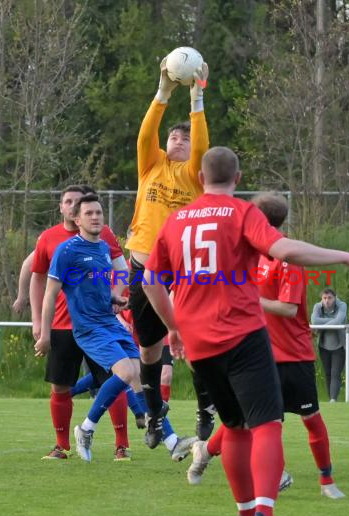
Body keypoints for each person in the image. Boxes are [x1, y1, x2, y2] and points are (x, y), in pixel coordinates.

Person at [142, 147, 349, 516]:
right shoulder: (241, 212)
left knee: (234, 427)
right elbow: (285, 250)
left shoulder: (175, 221)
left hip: (198, 342)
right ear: (237, 178)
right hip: (242, 336)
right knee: (266, 424)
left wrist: (174, 326)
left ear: (200, 178)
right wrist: (346, 256)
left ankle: (245, 514)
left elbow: (150, 281)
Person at [187, 192, 346, 500]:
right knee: (251, 421)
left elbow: (287, 308)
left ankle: (327, 482)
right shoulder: (244, 252)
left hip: (294, 352)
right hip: (256, 351)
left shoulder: (286, 258)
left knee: (311, 419)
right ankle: (218, 457)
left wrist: (248, 298)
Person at [34, 194, 196, 463]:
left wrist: (114, 298)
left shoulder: (102, 248)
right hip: (88, 327)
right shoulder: (67, 250)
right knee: (126, 372)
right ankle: (86, 428)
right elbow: (51, 293)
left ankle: (171, 440)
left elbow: (93, 286)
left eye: (99, 212)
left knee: (141, 377)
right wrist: (45, 335)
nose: (96, 217)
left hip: (110, 323)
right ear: (77, 219)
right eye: (89, 213)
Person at [125, 55, 214, 446]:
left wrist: (197, 98)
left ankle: (205, 408)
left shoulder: (194, 173)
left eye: (184, 138)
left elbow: (203, 144)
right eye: (173, 137)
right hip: (144, 267)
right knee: (149, 349)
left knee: (193, 344)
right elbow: (146, 135)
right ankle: (156, 417)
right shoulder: (151, 166)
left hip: (182, 270)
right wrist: (163, 92)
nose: (177, 140)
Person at [30, 185, 134, 460]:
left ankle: (121, 445)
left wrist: (116, 295)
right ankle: (61, 446)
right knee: (60, 386)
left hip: (96, 324)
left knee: (116, 378)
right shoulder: (50, 239)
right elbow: (38, 277)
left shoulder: (103, 237)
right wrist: (38, 324)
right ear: (64, 209)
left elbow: (122, 269)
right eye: (70, 202)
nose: (77, 207)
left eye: (83, 204)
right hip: (63, 326)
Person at [311, 288, 347, 402]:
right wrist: (331, 320)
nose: (327, 301)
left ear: (335, 298)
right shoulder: (317, 306)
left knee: (335, 373)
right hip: (323, 345)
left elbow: (339, 321)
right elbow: (314, 321)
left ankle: (333, 399)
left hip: (339, 345)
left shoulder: (342, 305)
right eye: (324, 298)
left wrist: (324, 323)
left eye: (330, 298)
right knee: (327, 373)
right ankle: (330, 398)